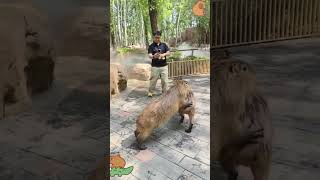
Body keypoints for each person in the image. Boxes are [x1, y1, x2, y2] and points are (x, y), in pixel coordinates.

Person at [147, 30, 170, 97]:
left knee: (165, 81)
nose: (157, 39)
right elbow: (149, 55)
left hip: (164, 66)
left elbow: (168, 52)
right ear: (153, 37)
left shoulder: (164, 45)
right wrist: (154, 56)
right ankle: (151, 92)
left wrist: (163, 54)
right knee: (153, 80)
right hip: (155, 67)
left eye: (159, 37)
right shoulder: (151, 46)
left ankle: (165, 92)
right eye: (156, 37)